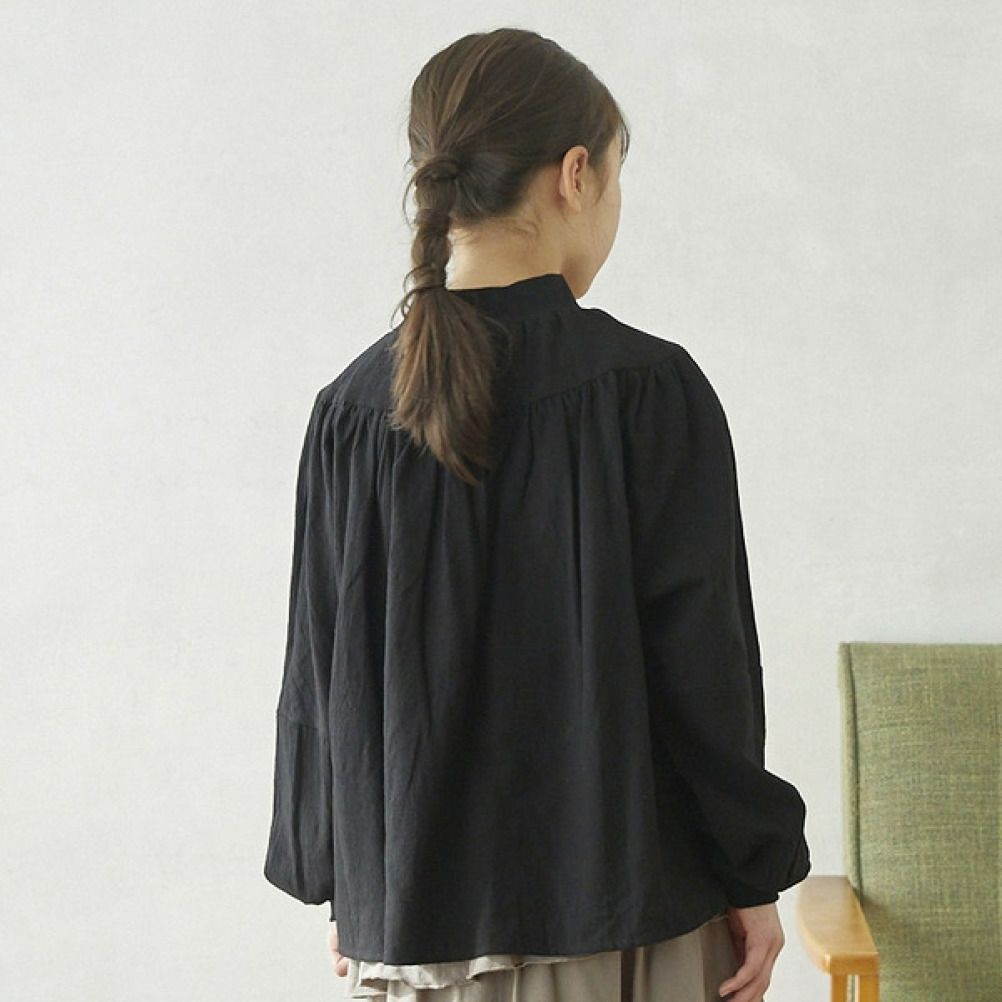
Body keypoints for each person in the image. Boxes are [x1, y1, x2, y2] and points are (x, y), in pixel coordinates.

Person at [264, 27, 810, 1002]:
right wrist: (752, 873)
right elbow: (705, 670)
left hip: (413, 931)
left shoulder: (351, 414)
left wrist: (345, 877)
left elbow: (321, 675)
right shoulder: (648, 390)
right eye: (616, 179)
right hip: (631, 923)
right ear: (575, 175)